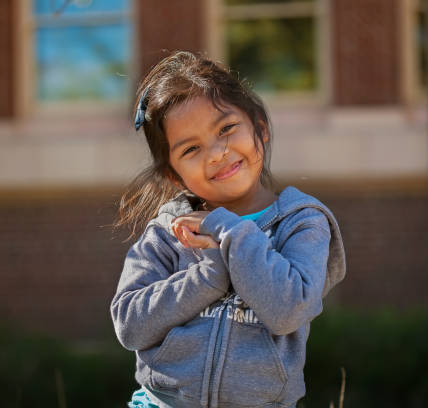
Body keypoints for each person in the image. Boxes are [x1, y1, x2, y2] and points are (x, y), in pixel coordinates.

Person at [110, 51, 346, 408]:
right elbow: (130, 325)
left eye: (226, 129)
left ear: (260, 129)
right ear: (175, 175)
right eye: (191, 148)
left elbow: (288, 310)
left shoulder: (301, 221)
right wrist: (204, 280)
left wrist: (231, 233)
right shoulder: (166, 232)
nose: (217, 153)